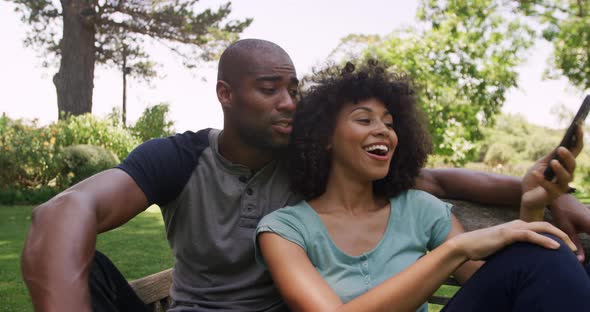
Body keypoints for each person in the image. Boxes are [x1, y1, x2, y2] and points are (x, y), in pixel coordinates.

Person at [21, 39, 587, 312]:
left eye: (294, 89)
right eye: (270, 89)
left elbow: (433, 181)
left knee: (544, 260)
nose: (289, 102)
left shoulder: (313, 163)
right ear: (226, 94)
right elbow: (65, 210)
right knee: (71, 244)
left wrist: (538, 196)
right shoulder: (180, 158)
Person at [255, 60, 590, 311]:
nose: (383, 130)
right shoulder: (283, 230)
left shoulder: (418, 208)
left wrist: (531, 204)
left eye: (389, 123)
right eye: (364, 119)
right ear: (325, 138)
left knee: (545, 249)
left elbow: (506, 286)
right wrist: (456, 249)